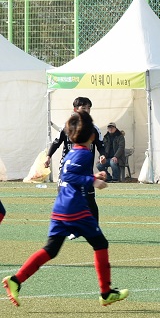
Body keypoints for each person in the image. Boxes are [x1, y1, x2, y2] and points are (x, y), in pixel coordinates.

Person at [2, 111, 128, 307]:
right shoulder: (85, 153)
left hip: (61, 207)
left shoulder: (73, 152)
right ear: (92, 134)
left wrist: (96, 176)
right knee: (100, 243)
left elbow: (70, 173)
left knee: (51, 249)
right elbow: (70, 177)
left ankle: (16, 280)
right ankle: (105, 292)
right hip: (75, 208)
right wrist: (92, 181)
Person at [44, 97, 106, 239]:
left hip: (85, 170)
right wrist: (48, 156)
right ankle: (70, 228)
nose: (87, 111)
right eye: (84, 108)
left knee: (90, 200)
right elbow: (56, 142)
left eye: (89, 108)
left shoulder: (93, 129)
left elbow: (100, 145)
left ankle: (94, 228)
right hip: (68, 169)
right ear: (75, 109)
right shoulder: (68, 126)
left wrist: (103, 155)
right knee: (66, 196)